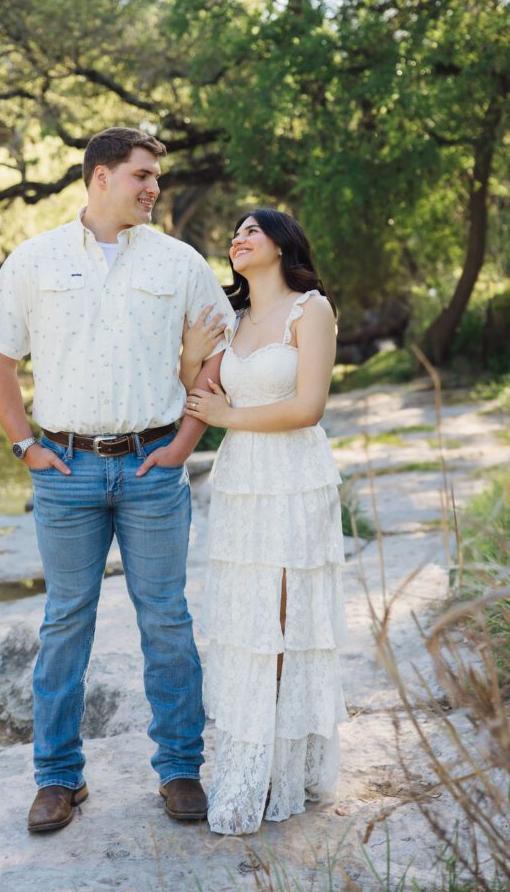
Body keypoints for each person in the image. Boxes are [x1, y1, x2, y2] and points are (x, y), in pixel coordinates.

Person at [0, 127, 235, 832]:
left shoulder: (179, 263)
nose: (153, 188)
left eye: (156, 177)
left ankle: (180, 769)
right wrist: (23, 444)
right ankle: (58, 779)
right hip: (64, 470)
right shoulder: (35, 259)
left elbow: (214, 357)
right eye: (142, 176)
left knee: (168, 623)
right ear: (99, 177)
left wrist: (184, 443)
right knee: (64, 625)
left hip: (153, 469)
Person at [182, 208, 347, 835]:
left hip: (293, 477)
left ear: (281, 245)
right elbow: (199, 399)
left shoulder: (312, 311)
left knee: (285, 615)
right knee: (248, 619)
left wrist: (227, 420)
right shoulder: (232, 322)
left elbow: (308, 407)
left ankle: (280, 768)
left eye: (252, 230)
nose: (238, 238)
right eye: (236, 233)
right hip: (242, 482)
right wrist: (191, 358)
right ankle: (246, 761)